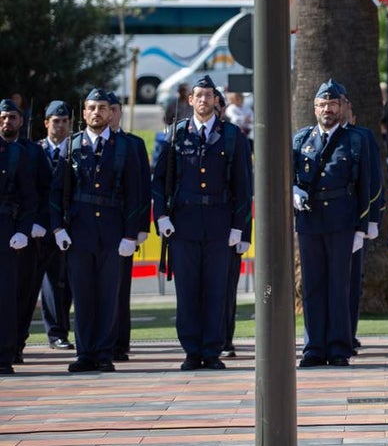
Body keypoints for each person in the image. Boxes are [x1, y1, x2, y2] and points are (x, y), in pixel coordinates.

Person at [152, 76, 252, 370]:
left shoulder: (232, 136)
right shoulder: (174, 135)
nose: (204, 100)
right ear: (190, 100)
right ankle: (192, 351)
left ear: (216, 101)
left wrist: (240, 228)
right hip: (184, 223)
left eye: (209, 95)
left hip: (220, 223)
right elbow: (158, 181)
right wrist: (162, 215)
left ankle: (212, 350)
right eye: (199, 95)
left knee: (216, 290)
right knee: (187, 290)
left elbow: (243, 187)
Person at [50, 89, 145, 373]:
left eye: (102, 108)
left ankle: (104, 352)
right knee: (83, 294)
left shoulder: (124, 147)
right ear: (84, 112)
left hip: (113, 232)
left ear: (110, 112)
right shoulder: (71, 145)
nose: (97, 113)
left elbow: (135, 194)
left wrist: (131, 234)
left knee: (107, 294)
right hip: (80, 231)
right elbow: (56, 191)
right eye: (92, 108)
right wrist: (58, 228)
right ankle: (85, 353)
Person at [292, 79, 372, 367]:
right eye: (322, 104)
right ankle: (313, 347)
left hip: (343, 221)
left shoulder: (356, 139)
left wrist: (365, 226)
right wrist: (293, 191)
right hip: (310, 221)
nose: (327, 109)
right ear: (314, 108)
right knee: (312, 286)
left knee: (340, 286)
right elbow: (287, 174)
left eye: (332, 104)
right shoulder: (301, 139)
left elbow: (368, 183)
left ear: (342, 107)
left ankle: (339, 347)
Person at [109, 93, 152, 363]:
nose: (108, 113)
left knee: (120, 289)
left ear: (120, 111)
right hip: (96, 227)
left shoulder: (133, 144)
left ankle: (119, 343)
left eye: (112, 108)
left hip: (124, 225)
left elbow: (140, 189)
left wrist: (140, 228)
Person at [0, 99, 42, 374]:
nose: (6, 122)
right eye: (2, 117)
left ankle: (5, 355)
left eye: (11, 117)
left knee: (6, 297)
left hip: (7, 228)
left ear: (21, 121)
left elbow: (30, 196)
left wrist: (23, 230)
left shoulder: (22, 154)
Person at [344, 97, 384, 354]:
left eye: (347, 111)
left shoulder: (362, 137)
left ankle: (348, 332)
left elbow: (374, 181)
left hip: (356, 221)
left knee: (352, 281)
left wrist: (373, 219)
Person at [37, 101, 75, 351]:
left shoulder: (76, 148)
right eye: (55, 121)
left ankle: (62, 330)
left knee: (68, 280)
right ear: (46, 123)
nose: (59, 126)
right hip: (40, 227)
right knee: (47, 281)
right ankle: (55, 333)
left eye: (64, 121)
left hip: (69, 224)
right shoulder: (36, 150)